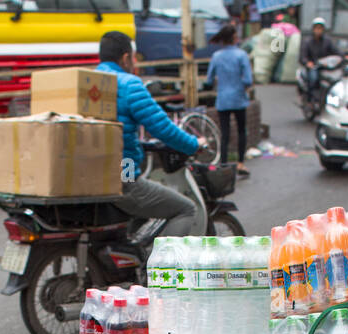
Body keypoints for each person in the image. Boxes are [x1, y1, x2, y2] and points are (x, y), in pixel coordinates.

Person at [96, 31, 203, 236]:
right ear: (126, 58)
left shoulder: (89, 83)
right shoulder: (129, 84)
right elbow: (162, 128)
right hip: (122, 173)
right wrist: (193, 144)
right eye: (134, 58)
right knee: (186, 209)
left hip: (93, 175)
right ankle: (158, 267)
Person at [206, 23, 254, 174]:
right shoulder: (241, 55)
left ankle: (224, 163)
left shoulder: (216, 56)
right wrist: (241, 87)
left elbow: (208, 79)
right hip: (239, 98)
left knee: (224, 133)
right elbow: (248, 80)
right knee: (241, 130)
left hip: (223, 99)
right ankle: (240, 162)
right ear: (234, 38)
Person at [299, 16, 341, 94]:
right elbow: (302, 57)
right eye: (317, 28)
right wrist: (308, 63)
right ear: (313, 29)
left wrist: (344, 56)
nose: (318, 30)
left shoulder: (327, 41)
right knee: (313, 78)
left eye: (320, 28)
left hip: (324, 66)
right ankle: (310, 97)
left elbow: (336, 51)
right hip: (313, 66)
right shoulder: (307, 42)